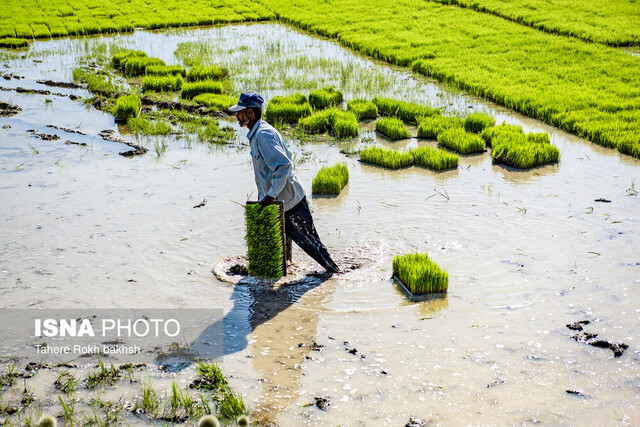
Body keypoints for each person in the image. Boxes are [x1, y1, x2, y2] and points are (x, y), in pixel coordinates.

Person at [230, 92, 340, 274]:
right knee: (281, 251)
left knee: (313, 247)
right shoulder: (257, 133)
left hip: (289, 202)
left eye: (239, 112)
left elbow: (284, 165)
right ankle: (287, 275)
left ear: (250, 113)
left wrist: (271, 195)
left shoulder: (263, 135)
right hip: (278, 203)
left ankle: (337, 275)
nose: (236, 116)